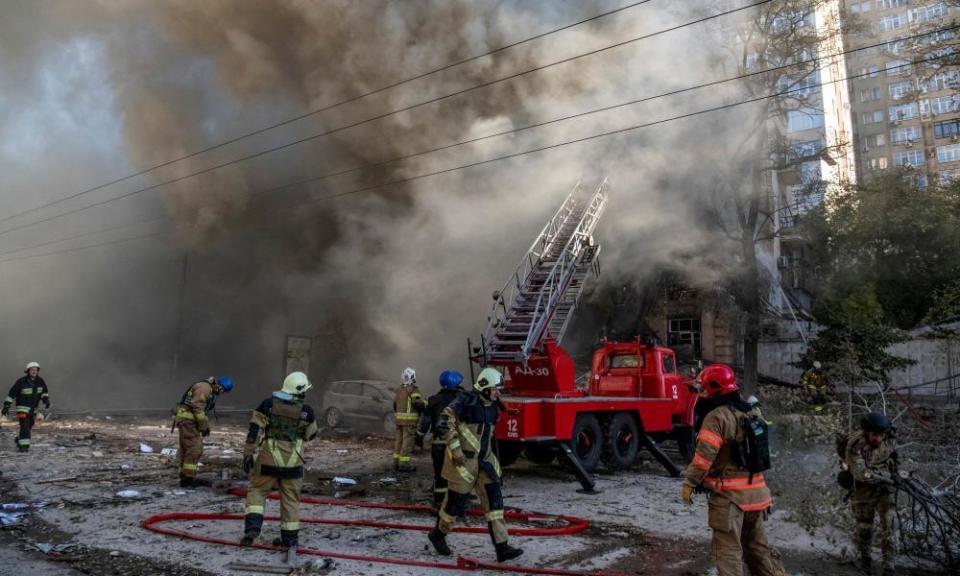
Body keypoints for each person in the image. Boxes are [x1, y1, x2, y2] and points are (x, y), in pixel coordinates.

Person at [681, 364, 786, 576]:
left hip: (730, 500)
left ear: (714, 390)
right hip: (757, 496)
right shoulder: (751, 411)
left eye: (702, 389)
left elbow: (703, 458)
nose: (700, 394)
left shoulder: (717, 417)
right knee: (758, 549)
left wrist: (690, 483)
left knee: (728, 553)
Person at [427, 367, 523, 563]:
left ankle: (502, 547)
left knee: (495, 504)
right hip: (463, 463)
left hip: (485, 462)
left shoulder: (494, 406)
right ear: (486, 388)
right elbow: (444, 422)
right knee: (454, 504)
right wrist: (456, 450)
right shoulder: (465, 401)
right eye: (496, 389)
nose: (499, 393)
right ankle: (438, 535)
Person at [240, 372, 318, 564]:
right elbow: (311, 435)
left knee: (258, 491)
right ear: (299, 391)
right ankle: (289, 540)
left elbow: (254, 431)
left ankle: (253, 528)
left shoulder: (267, 405)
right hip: (293, 464)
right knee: (291, 500)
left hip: (268, 461)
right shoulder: (307, 411)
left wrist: (248, 454)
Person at [845, 412, 898, 576]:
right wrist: (886, 476)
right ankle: (865, 559)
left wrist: (897, 473)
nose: (878, 439)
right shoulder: (855, 444)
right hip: (864, 488)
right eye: (875, 435)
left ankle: (889, 565)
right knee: (864, 527)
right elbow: (861, 474)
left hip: (885, 488)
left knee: (890, 525)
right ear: (867, 432)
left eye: (881, 435)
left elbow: (894, 456)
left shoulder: (890, 436)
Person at [172, 375, 234, 487]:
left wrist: (205, 426)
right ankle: (188, 479)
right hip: (188, 421)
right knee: (195, 448)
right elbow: (197, 407)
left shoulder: (208, 388)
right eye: (222, 389)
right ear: (220, 385)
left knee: (187, 448)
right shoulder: (205, 387)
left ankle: (186, 477)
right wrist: (203, 426)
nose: (221, 392)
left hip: (188, 421)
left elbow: (200, 411)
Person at [417, 370, 464, 509]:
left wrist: (419, 436)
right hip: (457, 444)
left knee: (440, 475)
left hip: (438, 443)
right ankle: (456, 505)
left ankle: (438, 503)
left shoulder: (432, 400)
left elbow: (425, 422)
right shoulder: (462, 399)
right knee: (458, 474)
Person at [2, 362, 50, 453]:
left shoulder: (40, 381)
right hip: (22, 408)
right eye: (32, 370)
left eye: (36, 370)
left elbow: (44, 392)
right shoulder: (21, 382)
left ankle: (20, 438)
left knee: (30, 424)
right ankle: (23, 447)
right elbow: (11, 394)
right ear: (28, 371)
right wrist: (6, 406)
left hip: (33, 409)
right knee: (24, 427)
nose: (34, 372)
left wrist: (46, 400)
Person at [393, 367, 425, 472]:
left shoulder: (398, 389)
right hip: (409, 423)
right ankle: (404, 464)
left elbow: (394, 405)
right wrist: (425, 403)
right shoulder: (413, 389)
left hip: (399, 421)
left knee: (399, 441)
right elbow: (417, 403)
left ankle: (396, 463)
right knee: (407, 443)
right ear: (413, 377)